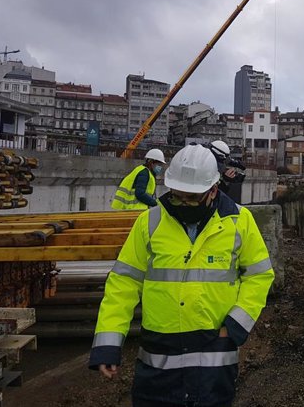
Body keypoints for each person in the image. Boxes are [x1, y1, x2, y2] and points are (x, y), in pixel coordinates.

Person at [90, 144, 274, 407]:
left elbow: (259, 275)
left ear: (213, 190)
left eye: (192, 197)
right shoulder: (150, 222)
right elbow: (124, 282)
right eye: (177, 196)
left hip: (214, 354)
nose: (183, 203)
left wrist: (234, 326)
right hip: (158, 357)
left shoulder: (239, 221)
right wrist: (108, 342)